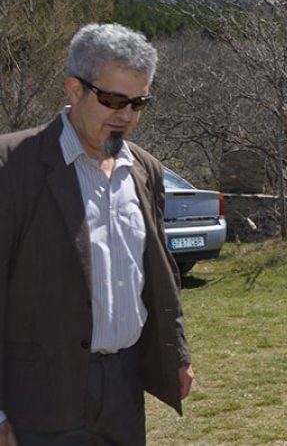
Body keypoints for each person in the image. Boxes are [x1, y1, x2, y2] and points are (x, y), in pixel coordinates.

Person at [0, 23, 193, 444]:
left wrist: (176, 354)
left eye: (138, 102)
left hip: (124, 390)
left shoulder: (146, 170)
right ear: (74, 90)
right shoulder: (12, 166)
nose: (126, 116)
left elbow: (159, 274)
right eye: (112, 100)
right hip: (39, 398)